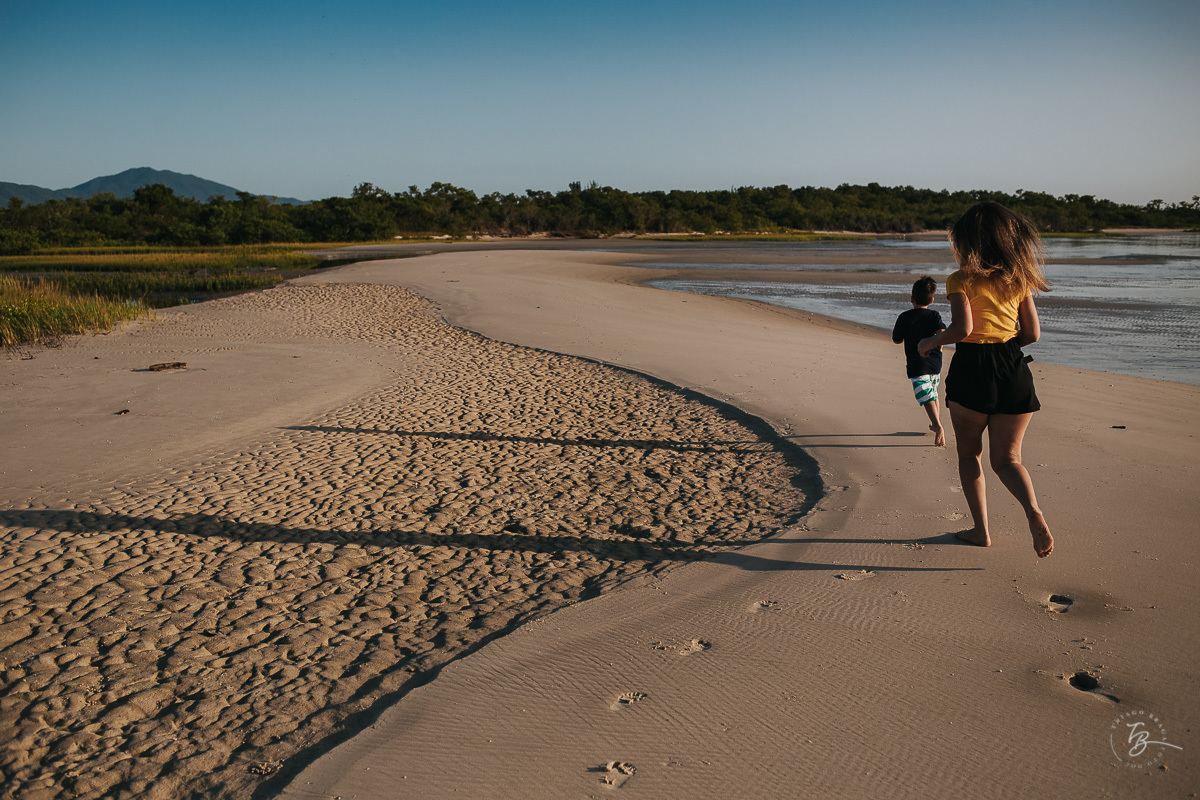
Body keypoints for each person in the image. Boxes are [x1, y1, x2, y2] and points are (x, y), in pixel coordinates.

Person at [918, 201, 1054, 558]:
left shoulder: (960, 279)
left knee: (969, 454)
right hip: (1013, 367)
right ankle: (1033, 512)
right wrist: (1006, 349)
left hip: (972, 371)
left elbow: (964, 329)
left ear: (968, 242)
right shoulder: (1019, 279)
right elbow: (1033, 334)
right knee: (1008, 460)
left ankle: (981, 531)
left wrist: (930, 341)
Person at [892, 276, 947, 446]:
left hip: (917, 363)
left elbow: (896, 339)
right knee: (932, 391)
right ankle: (934, 422)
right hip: (935, 361)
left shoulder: (905, 317)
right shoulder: (934, 315)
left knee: (925, 394)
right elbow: (942, 331)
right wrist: (938, 345)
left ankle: (938, 426)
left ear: (912, 299)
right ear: (931, 299)